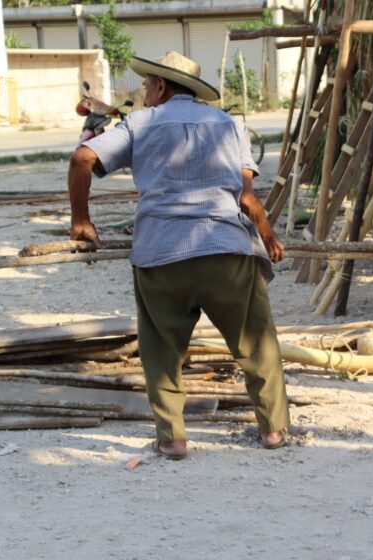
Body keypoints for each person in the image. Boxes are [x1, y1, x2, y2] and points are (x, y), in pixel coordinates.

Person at [68, 51, 290, 459]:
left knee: (162, 349)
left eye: (146, 84)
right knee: (257, 343)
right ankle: (273, 429)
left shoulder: (140, 123)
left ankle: (172, 438)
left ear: (162, 86)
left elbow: (83, 158)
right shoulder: (230, 125)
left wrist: (82, 220)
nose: (144, 91)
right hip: (225, 250)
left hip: (159, 253)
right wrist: (268, 235)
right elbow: (247, 199)